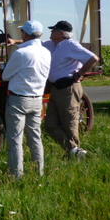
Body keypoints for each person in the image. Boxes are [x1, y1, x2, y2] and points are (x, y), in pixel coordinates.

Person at [42, 20, 99, 159]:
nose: (51, 32)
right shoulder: (52, 44)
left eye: (53, 30)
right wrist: (15, 41)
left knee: (70, 123)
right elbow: (34, 43)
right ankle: (74, 151)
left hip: (68, 88)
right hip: (55, 88)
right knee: (50, 125)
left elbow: (93, 58)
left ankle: (75, 154)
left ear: (61, 33)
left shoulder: (70, 45)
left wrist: (79, 74)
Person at [1, 20, 51, 179]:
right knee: (35, 137)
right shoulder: (46, 52)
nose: (21, 34)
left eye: (22, 32)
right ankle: (39, 172)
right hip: (37, 98)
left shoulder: (21, 53)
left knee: (15, 138)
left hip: (19, 99)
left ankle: (17, 175)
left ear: (26, 34)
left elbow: (5, 76)